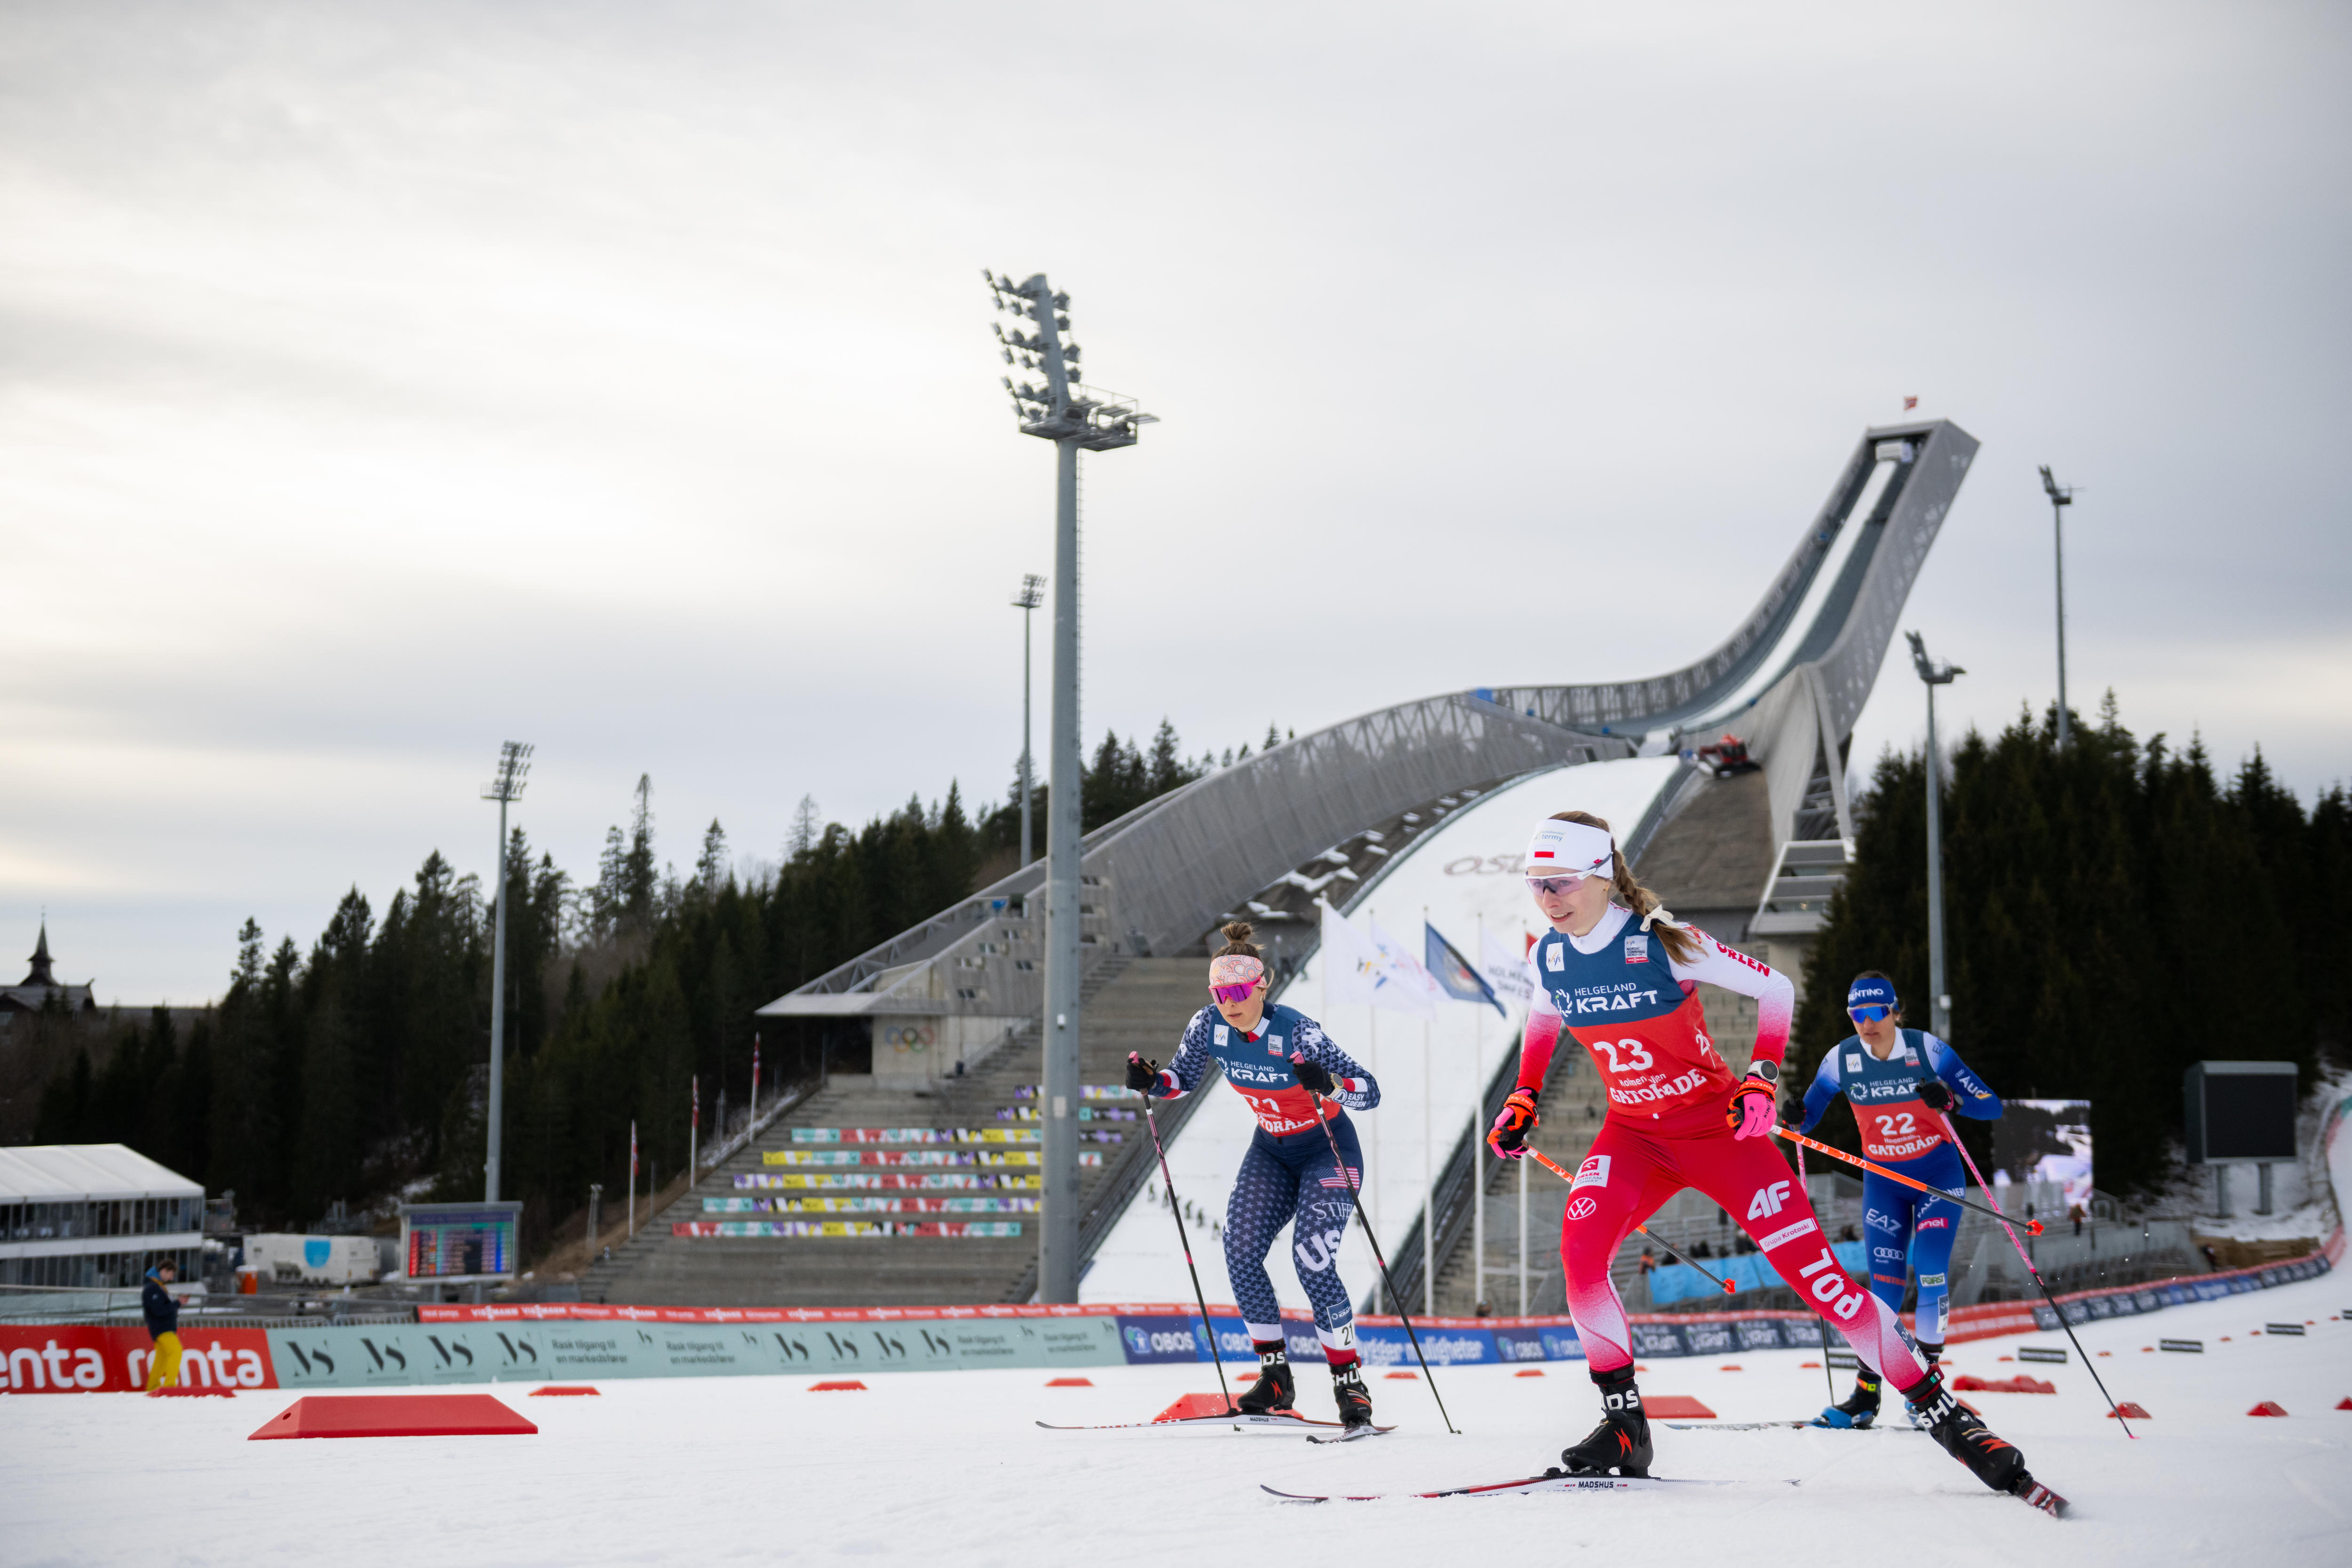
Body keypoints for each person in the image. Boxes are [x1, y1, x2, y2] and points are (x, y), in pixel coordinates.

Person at [1485, 812, 2035, 1499]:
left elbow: (1775, 989)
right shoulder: (1550, 955)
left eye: (1561, 883)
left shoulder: (1663, 941)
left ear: (1601, 876)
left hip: (1720, 1134)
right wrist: (1524, 1096)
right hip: (1634, 1137)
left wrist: (1761, 1077)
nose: (1548, 899)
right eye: (1537, 885)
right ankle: (1625, 1425)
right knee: (1579, 1253)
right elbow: (1543, 1020)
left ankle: (1944, 1414)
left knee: (1825, 1284)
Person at [1127, 922, 1382, 1430]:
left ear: (1262, 987)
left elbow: (1368, 1091)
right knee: (1240, 1251)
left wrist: (1328, 1083)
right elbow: (1182, 1079)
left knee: (1310, 1261)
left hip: (1327, 1151)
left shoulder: (1296, 1030)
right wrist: (1152, 1081)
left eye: (1239, 991)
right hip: (1271, 1149)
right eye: (1220, 993)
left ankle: (1348, 1381)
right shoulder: (1208, 1027)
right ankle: (1275, 1379)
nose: (1229, 1002)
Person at [1788, 970, 2004, 1428]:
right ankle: (1865, 1397)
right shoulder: (1839, 1060)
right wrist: (1792, 1115)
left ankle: (1926, 1393)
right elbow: (1805, 1121)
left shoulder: (1927, 1050)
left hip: (1935, 1178)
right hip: (1882, 1183)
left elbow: (1991, 1105)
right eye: (1856, 1015)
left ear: (1894, 1011)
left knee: (1928, 1272)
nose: (1866, 1023)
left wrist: (1950, 1101)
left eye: (1875, 1013)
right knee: (1880, 1293)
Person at [142, 1257, 183, 1393]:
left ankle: (153, 1387)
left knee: (162, 1359)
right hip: (162, 1328)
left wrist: (176, 1303)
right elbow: (159, 1310)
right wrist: (178, 1303)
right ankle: (170, 1386)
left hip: (161, 1328)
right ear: (164, 1271)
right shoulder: (152, 1288)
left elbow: (161, 1308)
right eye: (171, 1274)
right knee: (176, 1351)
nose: (171, 1278)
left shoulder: (157, 1286)